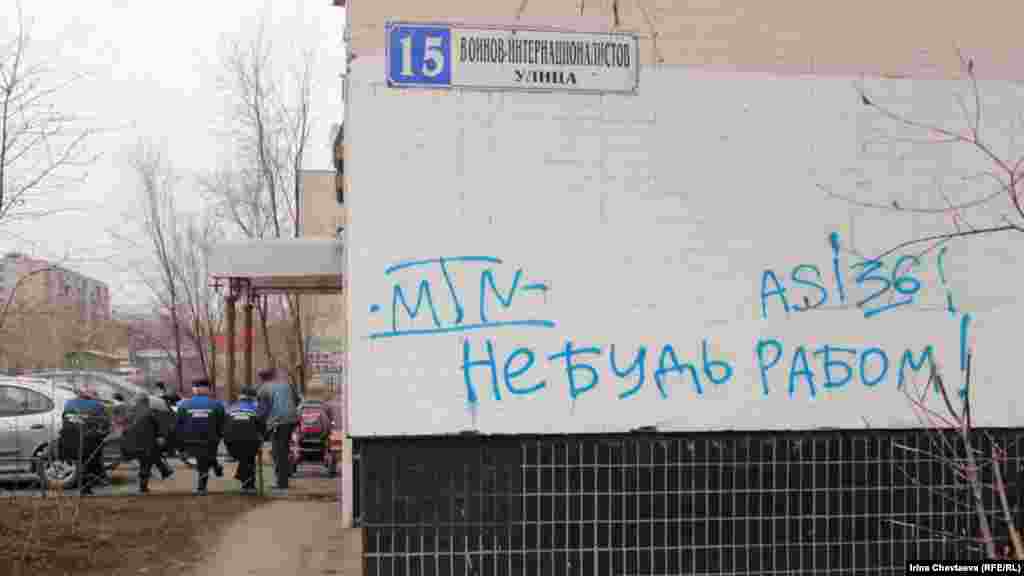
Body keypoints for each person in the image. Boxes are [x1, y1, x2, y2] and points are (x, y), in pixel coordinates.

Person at [174, 378, 225, 495]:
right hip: (210, 440)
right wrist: (218, 437)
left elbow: (178, 425)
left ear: (194, 389)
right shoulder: (217, 405)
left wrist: (179, 445)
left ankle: (208, 476)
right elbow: (222, 425)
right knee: (205, 460)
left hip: (190, 440)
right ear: (208, 389)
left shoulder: (184, 405)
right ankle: (202, 486)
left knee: (203, 461)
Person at [59, 383, 111, 496]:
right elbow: (105, 423)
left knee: (81, 462)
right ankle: (89, 485)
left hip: (70, 440)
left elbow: (65, 420)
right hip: (90, 441)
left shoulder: (69, 403)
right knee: (91, 462)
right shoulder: (97, 405)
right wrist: (103, 434)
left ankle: (86, 485)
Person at [120, 394, 172, 493]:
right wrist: (160, 436)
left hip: (130, 445)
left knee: (149, 457)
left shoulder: (131, 412)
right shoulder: (151, 413)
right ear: (146, 402)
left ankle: (163, 470)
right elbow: (158, 428)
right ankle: (146, 484)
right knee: (147, 461)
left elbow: (124, 425)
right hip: (146, 445)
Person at [257, 367, 299, 490]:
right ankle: (284, 476)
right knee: (283, 449)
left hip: (278, 422)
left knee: (278, 452)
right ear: (274, 375)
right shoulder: (287, 385)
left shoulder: (263, 389)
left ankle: (282, 483)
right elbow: (297, 400)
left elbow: (263, 411)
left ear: (261, 378)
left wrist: (258, 423)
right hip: (291, 420)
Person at [224, 385, 266, 493]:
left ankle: (244, 481)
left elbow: (224, 425)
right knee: (249, 458)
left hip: (230, 443)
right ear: (252, 397)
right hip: (249, 443)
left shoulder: (230, 408)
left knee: (245, 458)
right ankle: (249, 485)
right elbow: (262, 427)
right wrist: (262, 440)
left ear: (240, 396)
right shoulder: (256, 409)